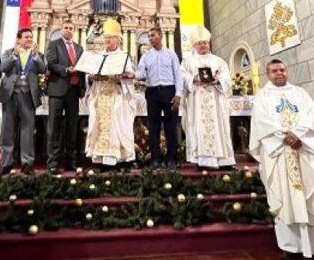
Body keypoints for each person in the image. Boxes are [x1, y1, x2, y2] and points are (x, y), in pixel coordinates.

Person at [249, 59, 314, 259]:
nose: (279, 73)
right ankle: (291, 246)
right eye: (274, 71)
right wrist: (285, 137)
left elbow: (310, 118)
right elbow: (262, 122)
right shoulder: (262, 96)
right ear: (267, 74)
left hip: (303, 150)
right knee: (284, 196)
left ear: (287, 71)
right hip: (279, 152)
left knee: (311, 196)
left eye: (282, 70)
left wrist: (297, 136)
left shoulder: (301, 94)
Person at [180, 25, 235, 169]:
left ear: (209, 43)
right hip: (197, 100)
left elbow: (227, 79)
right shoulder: (187, 62)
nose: (202, 45)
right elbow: (182, 77)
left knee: (219, 127)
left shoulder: (219, 61)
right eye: (199, 43)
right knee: (198, 127)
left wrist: (218, 81)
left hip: (216, 100)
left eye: (204, 42)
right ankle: (202, 161)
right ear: (194, 45)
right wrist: (193, 79)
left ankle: (224, 161)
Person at [84, 18, 136, 168]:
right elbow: (89, 76)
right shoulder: (98, 56)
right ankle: (103, 160)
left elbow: (130, 76)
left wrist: (123, 77)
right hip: (100, 95)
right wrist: (91, 78)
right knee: (101, 126)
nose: (106, 41)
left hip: (116, 97)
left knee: (117, 126)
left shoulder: (123, 57)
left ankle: (119, 159)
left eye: (109, 38)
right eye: (105, 38)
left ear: (117, 40)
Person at [0, 28, 46, 175]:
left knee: (28, 130)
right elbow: (3, 68)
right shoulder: (8, 52)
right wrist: (14, 56)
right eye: (26, 37)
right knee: (8, 129)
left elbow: (43, 70)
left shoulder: (38, 55)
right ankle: (6, 162)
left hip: (28, 95)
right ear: (19, 39)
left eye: (31, 37)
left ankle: (27, 163)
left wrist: (36, 56)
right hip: (10, 94)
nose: (30, 39)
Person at [136, 26, 183, 170]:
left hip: (169, 91)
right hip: (152, 92)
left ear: (160, 36)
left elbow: (178, 75)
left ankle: (172, 160)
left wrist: (178, 94)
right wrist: (131, 74)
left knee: (170, 127)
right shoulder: (146, 56)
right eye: (149, 36)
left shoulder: (171, 54)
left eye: (152, 35)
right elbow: (140, 74)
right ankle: (155, 160)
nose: (150, 38)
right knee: (153, 127)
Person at [45, 20, 85, 173]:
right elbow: (51, 63)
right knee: (54, 126)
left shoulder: (79, 48)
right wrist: (67, 70)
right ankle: (53, 162)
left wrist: (83, 88)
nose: (68, 30)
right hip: (57, 90)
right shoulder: (54, 44)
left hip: (73, 91)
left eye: (71, 28)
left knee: (72, 127)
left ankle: (71, 161)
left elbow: (83, 67)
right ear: (61, 30)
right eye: (66, 28)